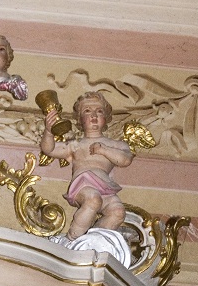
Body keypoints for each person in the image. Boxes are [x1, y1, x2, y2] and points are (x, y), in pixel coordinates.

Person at [41, 91, 133, 239]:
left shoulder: (115, 145)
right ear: (80, 119)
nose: (94, 115)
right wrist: (48, 131)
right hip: (83, 184)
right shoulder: (76, 144)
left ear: (106, 118)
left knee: (117, 212)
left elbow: (125, 160)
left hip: (106, 187)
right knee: (93, 200)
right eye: (87, 111)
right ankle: (73, 239)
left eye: (99, 111)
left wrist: (104, 150)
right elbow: (49, 149)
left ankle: (92, 239)